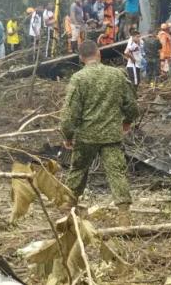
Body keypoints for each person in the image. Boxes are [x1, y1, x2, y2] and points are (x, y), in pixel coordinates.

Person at [61, 41, 139, 226]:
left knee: (78, 170)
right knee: (117, 173)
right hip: (111, 135)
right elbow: (131, 105)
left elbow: (70, 113)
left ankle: (66, 209)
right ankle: (124, 216)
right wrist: (127, 121)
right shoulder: (117, 75)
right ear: (99, 54)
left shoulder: (78, 79)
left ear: (81, 58)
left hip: (86, 136)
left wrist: (67, 135)